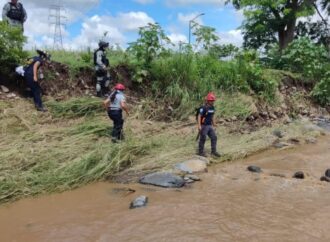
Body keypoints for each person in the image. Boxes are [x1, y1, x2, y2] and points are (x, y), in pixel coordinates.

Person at [197, 92, 221, 157]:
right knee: (203, 137)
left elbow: (212, 116)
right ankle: (200, 152)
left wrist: (214, 123)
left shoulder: (212, 107)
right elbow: (199, 116)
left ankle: (213, 152)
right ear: (208, 100)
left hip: (209, 125)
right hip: (203, 125)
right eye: (211, 100)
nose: (212, 102)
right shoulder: (203, 108)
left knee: (214, 137)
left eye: (213, 100)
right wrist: (199, 126)